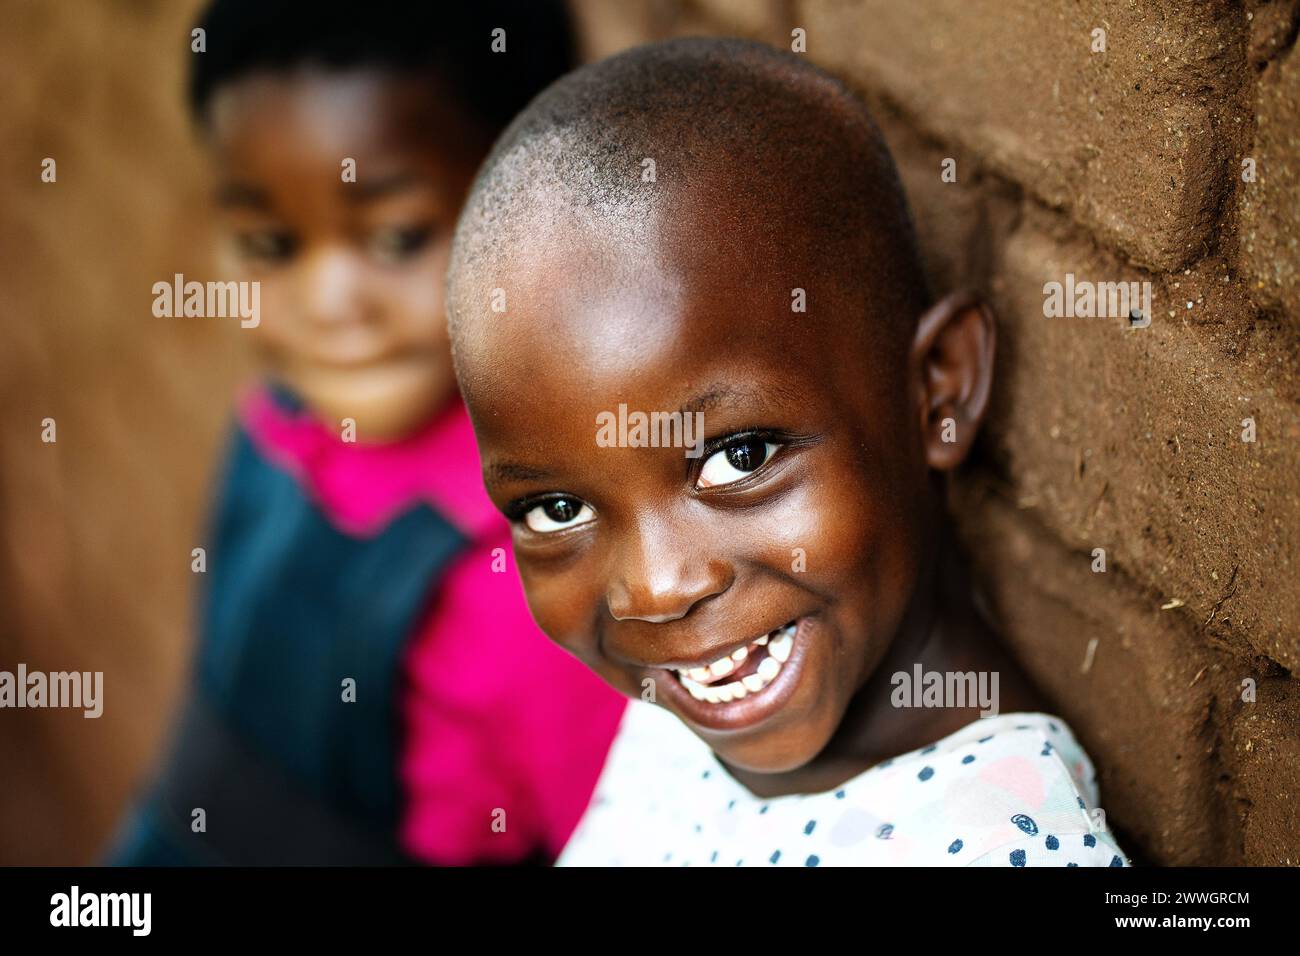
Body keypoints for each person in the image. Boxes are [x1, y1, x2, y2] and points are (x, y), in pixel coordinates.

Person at [444, 37, 1132, 866]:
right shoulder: (687, 708)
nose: (655, 590)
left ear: (938, 393)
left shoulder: (1000, 843)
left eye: (738, 458)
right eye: (560, 509)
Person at [108, 0, 624, 866]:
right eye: (270, 243)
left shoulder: (539, 586)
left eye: (396, 235)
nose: (327, 302)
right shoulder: (277, 427)